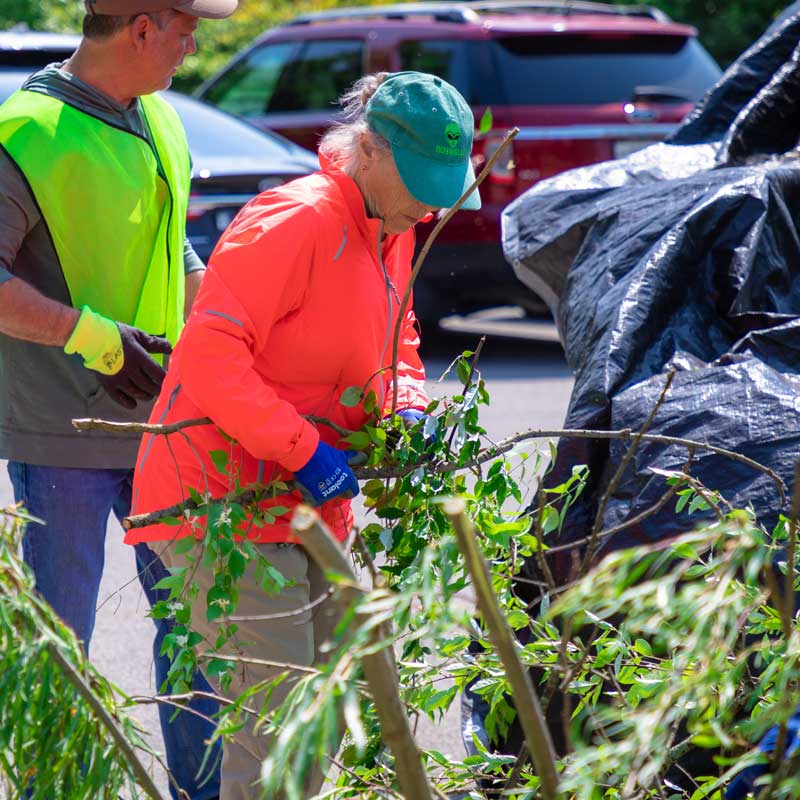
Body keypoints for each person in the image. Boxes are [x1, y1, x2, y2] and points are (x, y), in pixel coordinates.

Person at [126, 70, 481, 797]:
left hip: (306, 507)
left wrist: (405, 407)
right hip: (221, 505)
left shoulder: (393, 228)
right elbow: (209, 358)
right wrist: (303, 449)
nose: (430, 203)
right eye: (420, 181)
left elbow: (398, 339)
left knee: (320, 716)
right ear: (369, 151)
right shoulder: (295, 221)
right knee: (279, 727)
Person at [0, 1, 238, 796]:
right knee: (60, 651)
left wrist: (230, 340)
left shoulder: (159, 119)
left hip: (168, 430)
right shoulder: (28, 130)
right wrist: (94, 337)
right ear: (142, 28)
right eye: (185, 28)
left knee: (198, 634)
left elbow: (178, 251)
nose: (194, 45)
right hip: (60, 434)